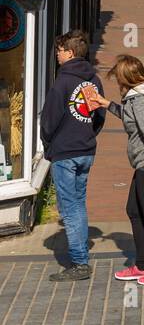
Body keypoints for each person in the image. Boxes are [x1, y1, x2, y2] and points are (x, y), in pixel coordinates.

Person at [87, 56, 144, 286]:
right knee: (134, 211)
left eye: (118, 78)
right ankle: (142, 265)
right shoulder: (137, 98)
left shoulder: (139, 101)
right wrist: (106, 104)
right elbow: (131, 118)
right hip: (143, 164)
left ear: (127, 78)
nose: (117, 83)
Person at [40, 32, 105, 282]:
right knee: (78, 203)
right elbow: (99, 116)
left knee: (69, 208)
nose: (56, 54)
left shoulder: (62, 82)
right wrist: (88, 134)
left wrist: (49, 144)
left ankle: (79, 262)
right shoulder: (94, 81)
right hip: (85, 150)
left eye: (59, 50)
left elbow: (49, 120)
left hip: (65, 152)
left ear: (69, 53)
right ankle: (80, 256)